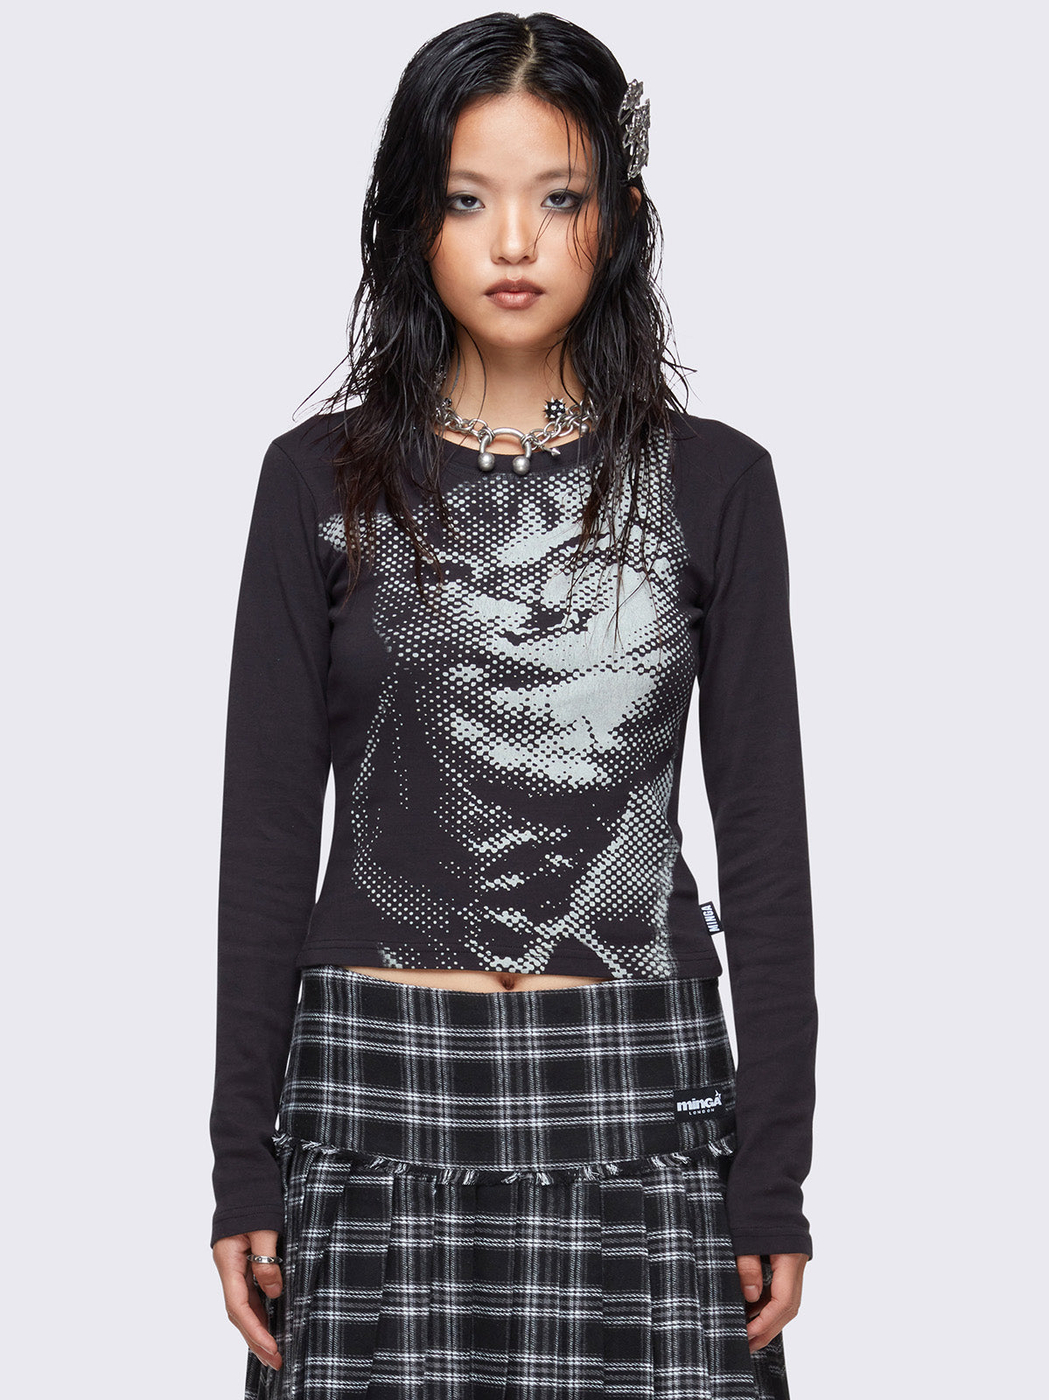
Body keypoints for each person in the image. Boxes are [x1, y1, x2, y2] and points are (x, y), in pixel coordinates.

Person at [208, 12, 817, 1399]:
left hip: (637, 1093)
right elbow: (264, 842)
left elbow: (766, 850)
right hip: (372, 1095)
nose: (515, 243)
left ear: (622, 215)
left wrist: (773, 1172)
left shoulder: (715, 484)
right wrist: (242, 1156)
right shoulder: (315, 485)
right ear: (407, 218)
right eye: (467, 200)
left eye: (560, 198)